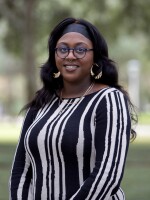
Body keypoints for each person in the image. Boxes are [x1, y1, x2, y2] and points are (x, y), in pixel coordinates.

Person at [9, 17, 137, 200]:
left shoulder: (109, 100)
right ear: (54, 55)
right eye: (63, 49)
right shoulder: (42, 102)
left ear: (95, 56)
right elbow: (20, 168)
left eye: (80, 49)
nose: (70, 55)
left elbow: (107, 176)